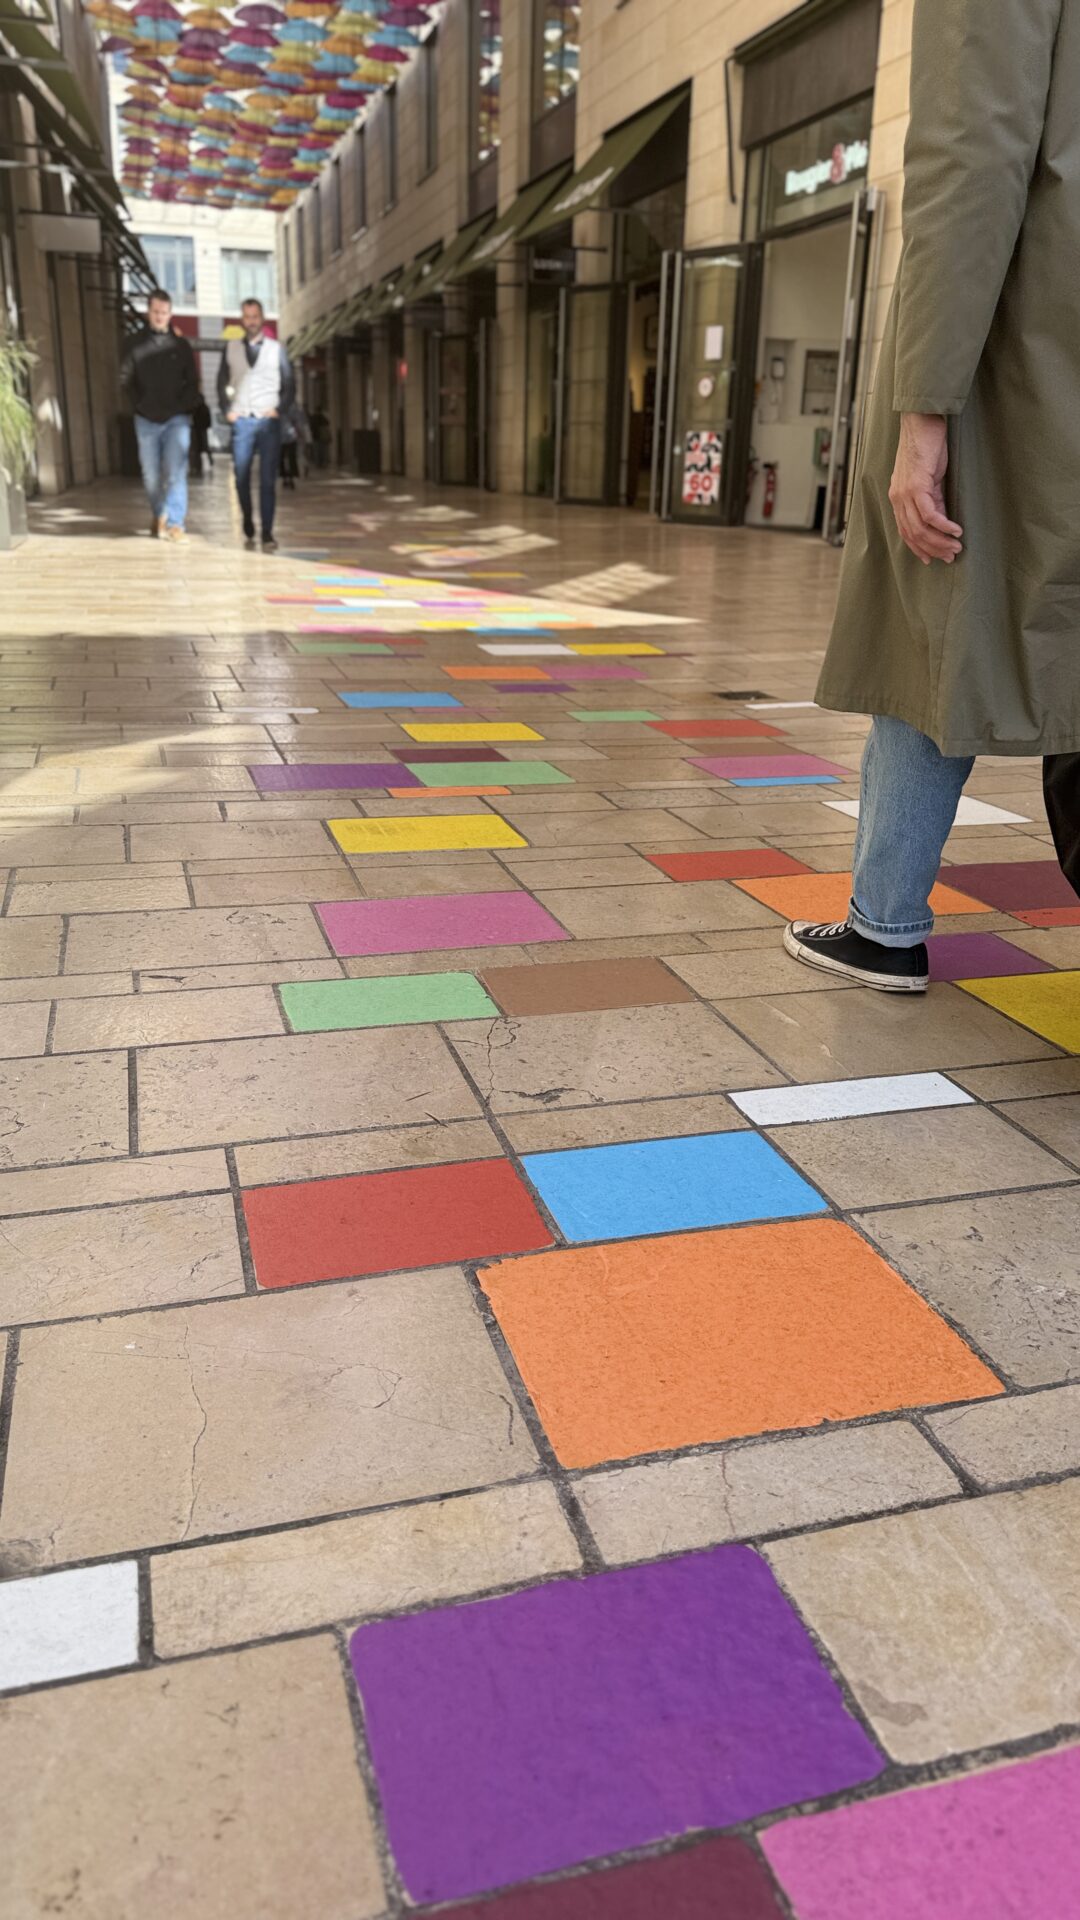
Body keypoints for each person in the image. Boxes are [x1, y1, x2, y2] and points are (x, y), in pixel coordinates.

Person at [786, 0, 1080, 994]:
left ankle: (885, 924)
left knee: (935, 599)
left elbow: (971, 162)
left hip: (1029, 353)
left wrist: (924, 409)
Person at [121, 287, 198, 543]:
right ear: (148, 312)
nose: (160, 316)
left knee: (176, 472)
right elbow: (125, 379)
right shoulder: (134, 344)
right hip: (145, 418)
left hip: (177, 419)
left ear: (170, 313)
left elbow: (192, 381)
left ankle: (176, 524)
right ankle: (160, 513)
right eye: (155, 311)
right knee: (151, 476)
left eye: (164, 312)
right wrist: (139, 404)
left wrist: (184, 406)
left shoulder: (181, 346)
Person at [217, 298, 294, 553]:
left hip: (267, 420)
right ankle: (248, 521)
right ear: (242, 319)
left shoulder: (276, 349)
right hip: (242, 420)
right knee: (241, 477)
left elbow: (289, 383)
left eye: (255, 316)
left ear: (262, 318)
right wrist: (227, 410)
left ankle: (268, 532)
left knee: (267, 480)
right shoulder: (230, 348)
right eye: (247, 316)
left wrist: (279, 409)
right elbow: (221, 381)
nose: (251, 321)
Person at [189, 396, 213, 477]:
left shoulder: (197, 408)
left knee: (198, 449)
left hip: (198, 430)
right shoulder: (203, 408)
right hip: (200, 430)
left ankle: (197, 466)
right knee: (202, 448)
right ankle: (204, 464)